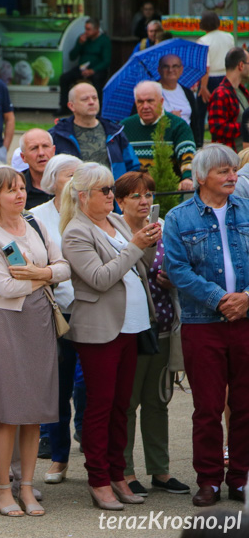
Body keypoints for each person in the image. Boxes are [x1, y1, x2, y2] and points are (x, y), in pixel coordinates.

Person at [60, 162, 160, 511]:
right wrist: (134, 245)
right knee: (100, 407)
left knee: (122, 406)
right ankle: (98, 479)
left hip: (131, 324)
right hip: (99, 330)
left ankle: (119, 474)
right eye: (105, 190)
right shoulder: (76, 232)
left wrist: (146, 242)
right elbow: (100, 279)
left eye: (109, 189)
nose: (110, 195)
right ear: (84, 196)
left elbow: (139, 266)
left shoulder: (116, 221)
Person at [0, 167, 70, 517]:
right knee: (8, 413)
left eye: (20, 188)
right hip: (8, 321)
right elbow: (6, 287)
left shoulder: (34, 223)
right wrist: (44, 277)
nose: (19, 194)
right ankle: (3, 489)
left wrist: (38, 273)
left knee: (34, 412)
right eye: (10, 190)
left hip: (40, 319)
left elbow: (63, 267)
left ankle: (27, 488)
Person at [163, 144, 249, 507]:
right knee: (208, 408)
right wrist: (219, 299)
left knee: (246, 405)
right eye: (223, 172)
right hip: (203, 324)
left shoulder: (247, 209)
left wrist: (246, 297)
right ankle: (210, 480)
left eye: (233, 170)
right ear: (201, 177)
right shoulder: (178, 218)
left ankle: (241, 479)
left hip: (246, 320)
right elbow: (176, 270)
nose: (233, 177)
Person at [113, 171, 190, 497]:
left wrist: (173, 280)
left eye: (148, 196)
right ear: (120, 201)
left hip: (160, 327)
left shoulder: (164, 231)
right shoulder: (113, 232)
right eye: (136, 196)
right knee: (127, 404)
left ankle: (160, 470)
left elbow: (177, 267)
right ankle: (125, 471)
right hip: (129, 329)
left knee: (158, 401)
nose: (144, 202)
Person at [30, 155, 82, 485]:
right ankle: (59, 458)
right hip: (56, 315)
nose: (76, 182)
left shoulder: (95, 210)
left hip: (93, 313)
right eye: (69, 176)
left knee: (89, 389)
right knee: (57, 390)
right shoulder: (36, 217)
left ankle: (97, 458)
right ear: (52, 181)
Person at [50, 82, 141, 180]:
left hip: (112, 192)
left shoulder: (115, 132)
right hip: (74, 193)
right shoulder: (58, 134)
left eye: (94, 98)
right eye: (85, 99)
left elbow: (132, 166)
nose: (91, 102)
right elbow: (49, 170)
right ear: (71, 106)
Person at [121, 81, 196, 190]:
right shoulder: (125, 127)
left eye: (150, 101)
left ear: (161, 101)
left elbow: (187, 154)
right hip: (135, 191)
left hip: (169, 191)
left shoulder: (178, 125)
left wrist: (188, 177)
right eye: (140, 102)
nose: (145, 106)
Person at [58, 18, 111, 115]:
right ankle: (64, 107)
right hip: (82, 68)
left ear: (96, 29)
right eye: (85, 29)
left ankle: (97, 110)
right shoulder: (83, 39)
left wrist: (93, 70)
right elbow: (72, 56)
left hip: (97, 70)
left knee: (97, 81)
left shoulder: (104, 40)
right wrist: (79, 44)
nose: (86, 32)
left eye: (89, 29)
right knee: (64, 78)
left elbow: (106, 61)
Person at [157, 55, 205, 147]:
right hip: (164, 145)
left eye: (175, 66)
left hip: (187, 142)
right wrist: (167, 118)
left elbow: (195, 122)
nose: (170, 70)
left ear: (181, 69)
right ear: (159, 69)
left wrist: (198, 145)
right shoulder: (152, 92)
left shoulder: (187, 93)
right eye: (166, 66)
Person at [208, 47, 249, 152]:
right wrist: (244, 127)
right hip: (231, 159)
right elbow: (216, 128)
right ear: (241, 65)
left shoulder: (241, 91)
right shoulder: (221, 94)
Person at [197, 11, 235, 107]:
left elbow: (206, 67)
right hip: (227, 77)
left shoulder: (203, 41)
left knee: (201, 111)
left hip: (210, 79)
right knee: (224, 108)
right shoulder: (229, 37)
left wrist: (203, 86)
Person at [19, 128, 56, 209]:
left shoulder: (67, 184)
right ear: (23, 157)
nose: (41, 153)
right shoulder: (17, 189)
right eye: (34, 148)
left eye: (45, 146)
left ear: (53, 151)